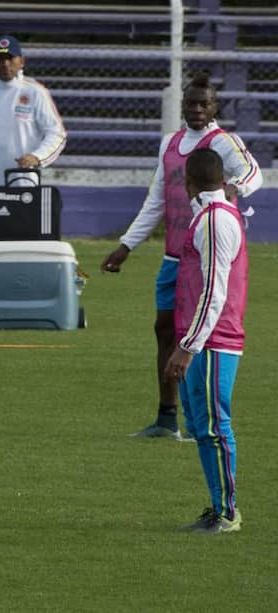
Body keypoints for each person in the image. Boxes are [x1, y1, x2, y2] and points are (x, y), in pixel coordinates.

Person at [101, 73, 261, 440]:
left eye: (205, 103)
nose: (197, 109)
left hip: (205, 255)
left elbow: (254, 173)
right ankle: (166, 418)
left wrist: (236, 187)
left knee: (198, 333)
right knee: (164, 330)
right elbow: (156, 200)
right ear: (183, 105)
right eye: (191, 102)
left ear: (215, 107)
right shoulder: (170, 143)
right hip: (173, 257)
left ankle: (199, 419)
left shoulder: (224, 142)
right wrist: (127, 245)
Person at [165, 148, 247, 534]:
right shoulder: (213, 214)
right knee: (203, 426)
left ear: (188, 183)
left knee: (214, 426)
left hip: (213, 339)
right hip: (203, 337)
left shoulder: (214, 220)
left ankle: (227, 513)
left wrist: (188, 346)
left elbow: (215, 288)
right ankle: (218, 508)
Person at [0, 34, 67, 238]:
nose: (5, 64)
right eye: (0, 58)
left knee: (23, 244)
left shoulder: (35, 92)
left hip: (23, 185)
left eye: (10, 58)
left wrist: (37, 157)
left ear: (21, 61)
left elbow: (57, 134)